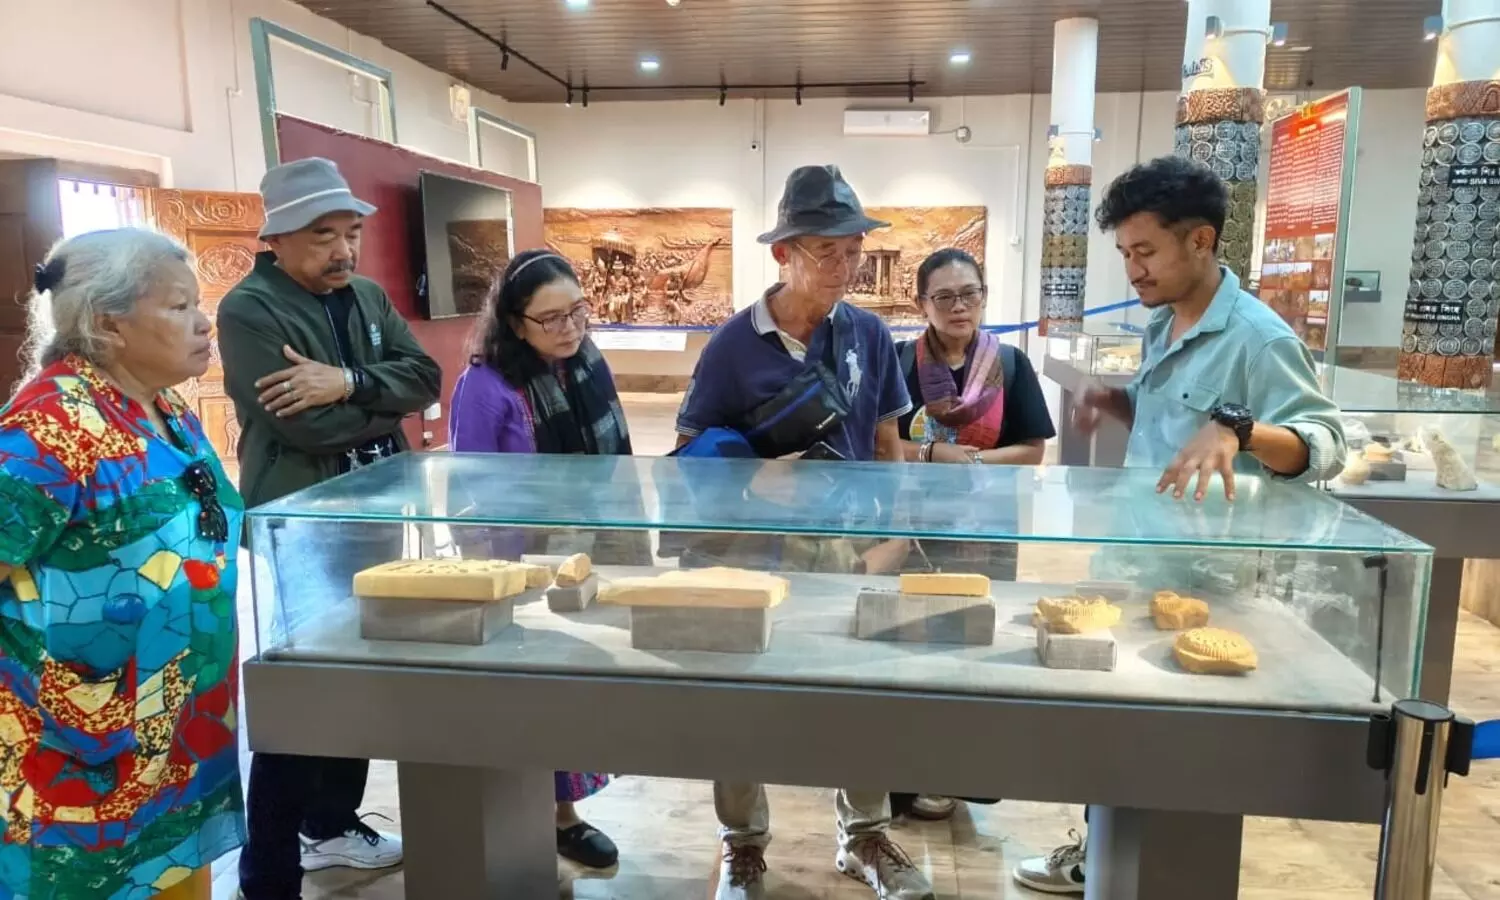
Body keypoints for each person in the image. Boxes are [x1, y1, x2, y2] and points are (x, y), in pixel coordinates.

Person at [1012, 155, 1345, 894]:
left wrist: (1239, 429)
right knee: (1116, 728)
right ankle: (1099, 854)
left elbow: (1324, 444)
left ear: (1200, 240)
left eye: (1146, 251)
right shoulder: (1164, 322)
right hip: (1135, 558)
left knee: (1184, 752)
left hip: (1205, 581)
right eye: (1125, 253)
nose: (1133, 270)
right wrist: (1117, 403)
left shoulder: (1259, 339)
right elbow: (1172, 422)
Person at [676, 165, 932, 900]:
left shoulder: (869, 333)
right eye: (827, 252)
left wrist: (894, 537)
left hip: (848, 543)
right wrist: (754, 478)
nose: (845, 268)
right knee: (740, 693)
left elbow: (887, 440)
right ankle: (742, 844)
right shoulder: (732, 345)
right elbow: (690, 451)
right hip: (755, 550)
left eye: (854, 250)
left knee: (861, 688)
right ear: (784, 253)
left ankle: (865, 834)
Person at [218, 157, 442, 900]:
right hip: (303, 523)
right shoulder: (249, 309)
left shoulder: (367, 296)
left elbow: (426, 379)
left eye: (351, 233)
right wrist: (382, 406)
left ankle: (333, 823)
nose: (344, 250)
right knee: (304, 690)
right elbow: (304, 428)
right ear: (277, 238)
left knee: (360, 675)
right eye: (324, 235)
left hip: (377, 509)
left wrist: (346, 382)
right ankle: (269, 872)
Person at [0, 229, 245, 899]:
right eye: (178, 307)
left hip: (175, 737)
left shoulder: (164, 407)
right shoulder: (47, 429)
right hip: (76, 762)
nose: (203, 323)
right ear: (109, 322)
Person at [447, 249, 629, 870]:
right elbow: (470, 491)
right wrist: (489, 577)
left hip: (586, 555)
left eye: (577, 311)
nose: (570, 328)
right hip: (518, 568)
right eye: (551, 319)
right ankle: (537, 817)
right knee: (530, 695)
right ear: (513, 322)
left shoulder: (586, 365)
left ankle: (560, 812)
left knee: (578, 685)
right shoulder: (486, 386)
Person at [890, 247, 1055, 823]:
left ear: (984, 297)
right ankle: (902, 772)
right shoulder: (899, 363)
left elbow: (1032, 449)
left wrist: (975, 463)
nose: (959, 307)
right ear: (922, 303)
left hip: (988, 530)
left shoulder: (1009, 363)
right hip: (912, 528)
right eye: (944, 297)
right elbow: (878, 444)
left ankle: (962, 771)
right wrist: (932, 453)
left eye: (970, 294)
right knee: (910, 646)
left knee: (975, 647)